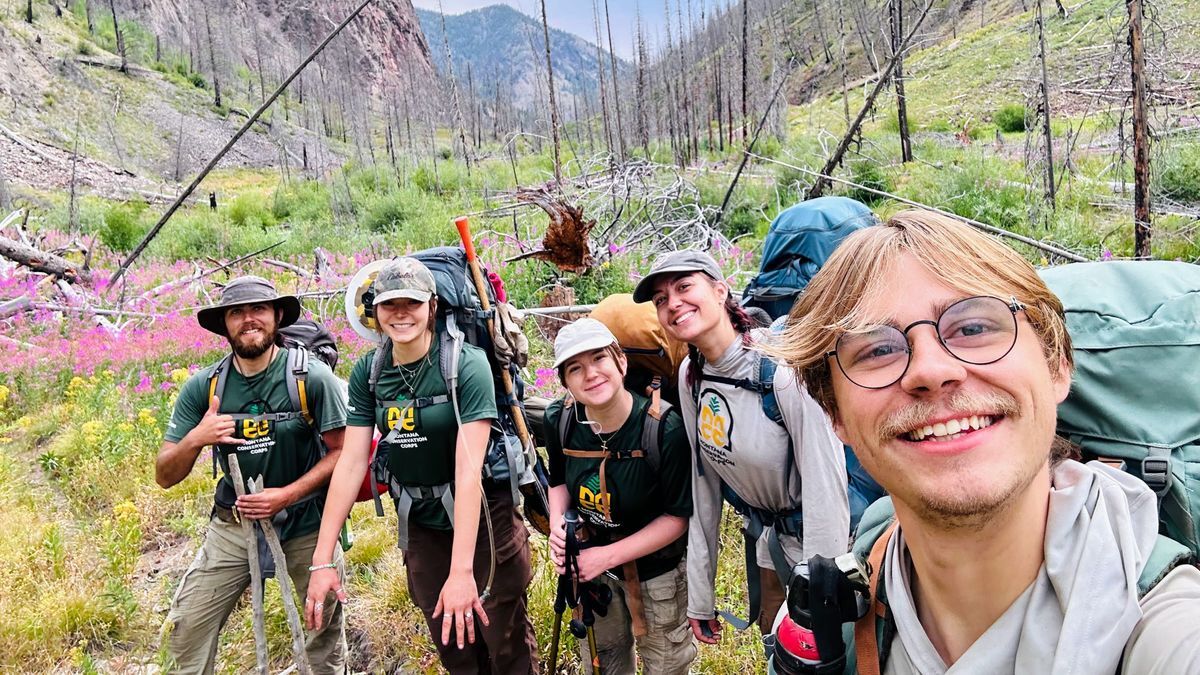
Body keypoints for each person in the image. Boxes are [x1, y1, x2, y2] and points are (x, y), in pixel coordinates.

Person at [773, 210, 1200, 673]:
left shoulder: (1167, 628)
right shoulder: (840, 598)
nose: (931, 370)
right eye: (878, 350)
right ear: (835, 414)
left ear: (1057, 366)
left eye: (973, 328)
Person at [304, 257, 538, 674]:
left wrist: (462, 572)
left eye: (411, 303)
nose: (401, 313)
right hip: (420, 518)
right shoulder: (370, 372)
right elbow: (352, 462)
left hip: (484, 515)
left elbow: (468, 470)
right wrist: (322, 560)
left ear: (432, 306)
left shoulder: (465, 364)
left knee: (504, 641)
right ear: (375, 311)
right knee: (453, 643)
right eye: (389, 304)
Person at [632, 250, 850, 641]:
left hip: (824, 551)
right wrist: (700, 597)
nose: (673, 304)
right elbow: (703, 486)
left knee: (826, 654)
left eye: (684, 287)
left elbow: (827, 490)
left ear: (720, 291)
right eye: (661, 299)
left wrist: (820, 597)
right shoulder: (692, 376)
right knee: (776, 648)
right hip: (770, 546)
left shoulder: (781, 370)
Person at [155, 275, 348, 674]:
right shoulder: (204, 387)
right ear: (224, 324)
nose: (248, 319)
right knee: (187, 630)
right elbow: (164, 474)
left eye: (258, 309)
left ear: (277, 316)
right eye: (236, 313)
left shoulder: (312, 378)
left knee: (321, 635)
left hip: (306, 525)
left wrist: (287, 495)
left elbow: (344, 452)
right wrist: (197, 438)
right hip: (234, 526)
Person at [545, 318, 697, 674]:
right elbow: (558, 480)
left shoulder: (663, 429)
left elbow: (677, 517)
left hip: (657, 572)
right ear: (565, 383)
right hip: (590, 568)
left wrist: (605, 557)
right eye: (575, 368)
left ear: (621, 362)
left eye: (599, 358)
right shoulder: (560, 421)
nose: (591, 374)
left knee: (666, 666)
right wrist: (557, 525)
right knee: (604, 661)